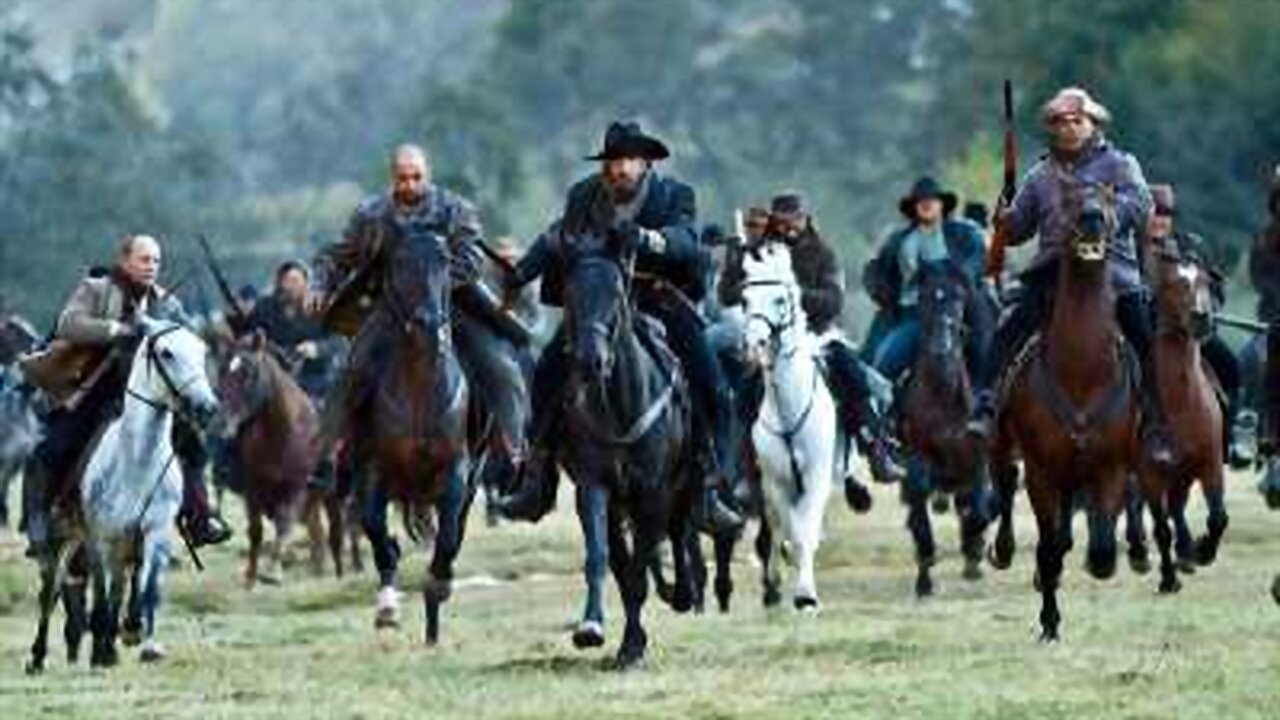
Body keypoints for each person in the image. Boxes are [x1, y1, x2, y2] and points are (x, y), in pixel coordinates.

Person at [493, 120, 743, 531]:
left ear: (645, 163)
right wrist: (522, 272)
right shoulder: (583, 195)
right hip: (599, 306)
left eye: (627, 160)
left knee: (712, 386)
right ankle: (536, 478)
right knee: (547, 373)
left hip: (659, 299)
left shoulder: (675, 195)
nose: (618, 168)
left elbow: (686, 240)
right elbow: (556, 238)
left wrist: (647, 238)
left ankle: (709, 488)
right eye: (611, 161)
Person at [966, 87, 1171, 466]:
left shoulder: (1120, 164)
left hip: (1113, 272)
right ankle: (985, 405)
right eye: (1060, 122)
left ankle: (1158, 426)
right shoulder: (1040, 175)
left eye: (1077, 121)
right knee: (1009, 329)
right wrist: (1006, 220)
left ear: (1093, 123)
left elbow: (1141, 203)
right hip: (1053, 271)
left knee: (1144, 340)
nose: (1069, 128)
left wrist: (1106, 214)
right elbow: (1020, 229)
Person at [313, 144, 531, 479]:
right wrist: (320, 284)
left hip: (452, 303)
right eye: (403, 178)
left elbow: (472, 258)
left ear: (427, 175)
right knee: (349, 369)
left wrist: (432, 283)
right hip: (393, 308)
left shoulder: (455, 209)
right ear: (392, 178)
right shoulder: (370, 215)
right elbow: (338, 256)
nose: (410, 184)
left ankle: (512, 451)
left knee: (502, 367)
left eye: (416, 177)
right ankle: (328, 454)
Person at [20, 234, 232, 558]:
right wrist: (118, 330)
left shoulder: (167, 303)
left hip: (153, 398)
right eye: (144, 259)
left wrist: (201, 334)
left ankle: (199, 519)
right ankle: (42, 525)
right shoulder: (97, 289)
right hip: (98, 390)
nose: (151, 266)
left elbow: (186, 340)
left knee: (194, 450)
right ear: (125, 260)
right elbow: (69, 324)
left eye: (156, 261)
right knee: (51, 449)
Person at [720, 191, 907, 492]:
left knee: (851, 373)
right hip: (773, 341)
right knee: (745, 391)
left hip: (816, 336)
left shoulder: (823, 254)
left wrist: (795, 294)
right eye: (781, 221)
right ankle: (734, 468)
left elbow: (833, 301)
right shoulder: (760, 252)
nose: (787, 227)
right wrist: (734, 261)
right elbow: (727, 295)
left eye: (793, 219)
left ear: (805, 218)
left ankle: (874, 447)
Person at [1143, 183, 1250, 465]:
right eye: (1154, 212)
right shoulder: (1127, 248)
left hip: (1190, 331)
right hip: (1145, 330)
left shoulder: (1189, 245)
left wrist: (1207, 305)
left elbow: (1214, 285)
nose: (1159, 218)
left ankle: (1231, 439)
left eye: (1165, 212)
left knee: (1231, 367)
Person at [862, 177, 990, 384]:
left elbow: (980, 258)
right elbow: (875, 272)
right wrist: (883, 294)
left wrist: (962, 278)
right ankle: (878, 401)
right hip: (914, 315)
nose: (926, 203)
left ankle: (986, 395)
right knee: (880, 367)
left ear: (942, 205)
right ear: (913, 207)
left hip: (958, 311)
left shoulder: (964, 233)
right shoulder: (899, 241)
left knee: (989, 350)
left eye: (932, 199)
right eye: (921, 200)